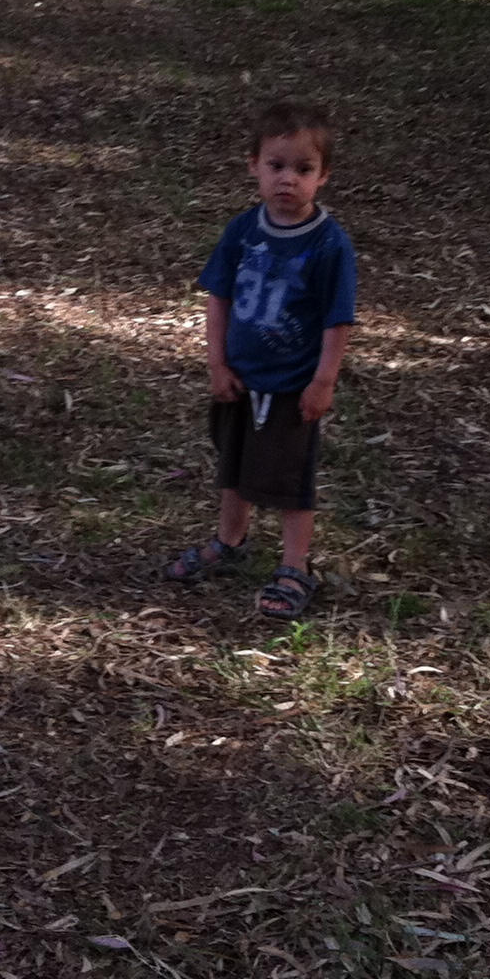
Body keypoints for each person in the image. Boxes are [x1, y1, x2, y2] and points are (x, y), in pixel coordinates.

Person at [163, 99, 357, 619]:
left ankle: (295, 566)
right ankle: (230, 542)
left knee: (291, 481)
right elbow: (219, 296)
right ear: (254, 166)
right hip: (241, 379)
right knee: (234, 467)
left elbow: (337, 319)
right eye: (276, 165)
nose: (287, 179)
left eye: (303, 169)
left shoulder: (329, 245)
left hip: (292, 384)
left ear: (323, 176)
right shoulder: (243, 231)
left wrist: (323, 381)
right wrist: (217, 363)